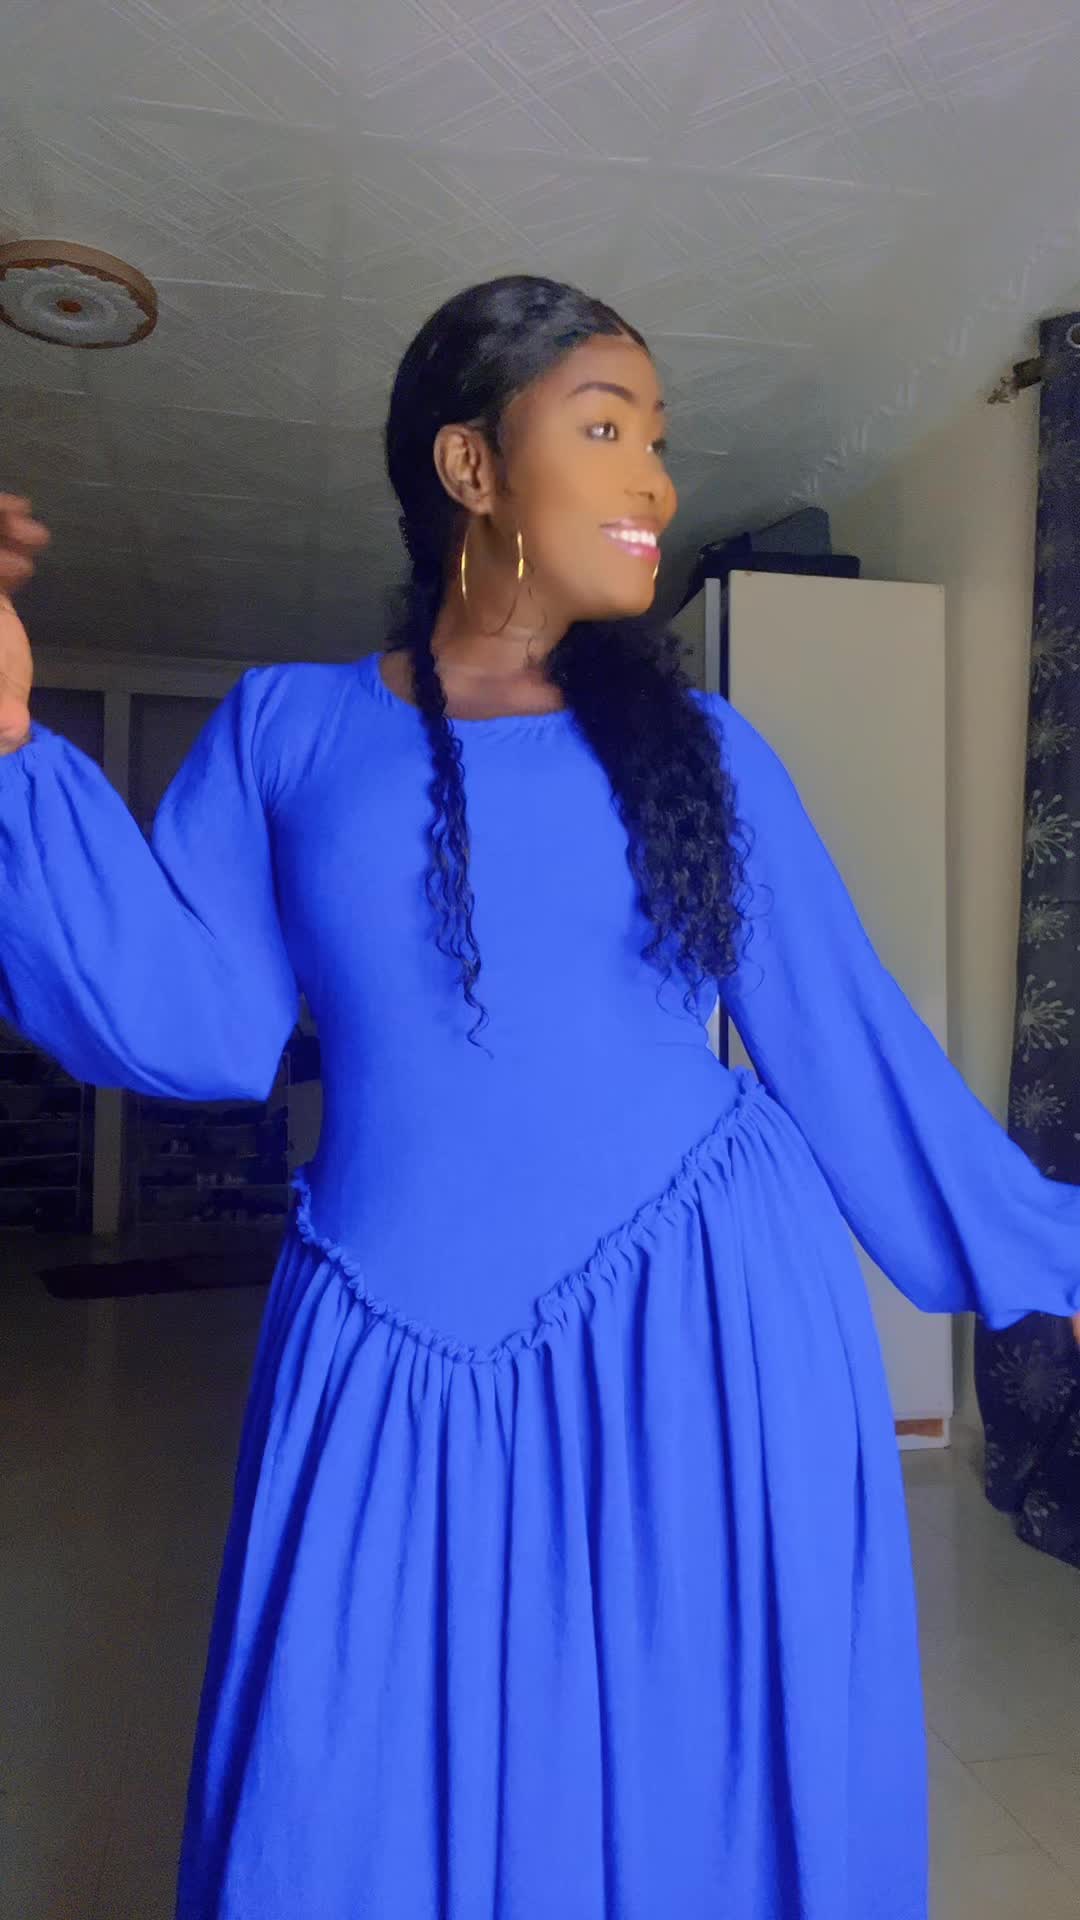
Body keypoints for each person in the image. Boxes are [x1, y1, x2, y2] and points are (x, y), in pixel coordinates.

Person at [0, 275, 1077, 1920]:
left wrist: (1053, 1256)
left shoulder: (704, 750)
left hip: (691, 1330)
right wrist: (11, 742)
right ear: (472, 467)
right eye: (605, 428)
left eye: (658, 439)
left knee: (679, 1786)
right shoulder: (287, 727)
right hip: (381, 1343)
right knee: (341, 1800)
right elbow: (194, 1025)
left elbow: (850, 1046)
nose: (655, 479)